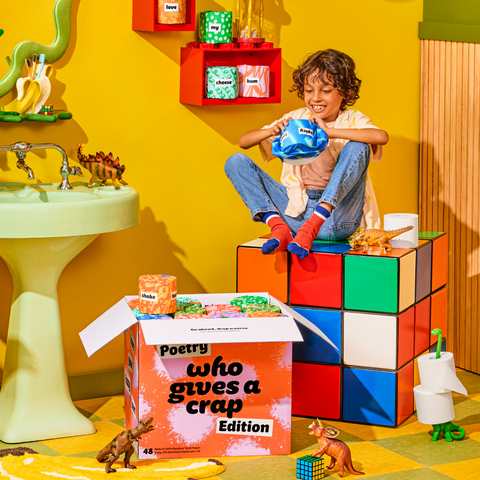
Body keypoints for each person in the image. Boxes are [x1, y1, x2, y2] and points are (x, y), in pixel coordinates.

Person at [225, 49, 389, 258]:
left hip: (339, 218)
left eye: (326, 90)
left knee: (359, 146)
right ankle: (279, 227)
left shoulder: (352, 120)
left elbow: (380, 136)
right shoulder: (297, 118)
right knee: (235, 162)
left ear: (345, 93)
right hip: (298, 215)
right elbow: (243, 142)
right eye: (309, 90)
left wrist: (329, 132)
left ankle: (315, 221)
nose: (316, 98)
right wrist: (271, 131)